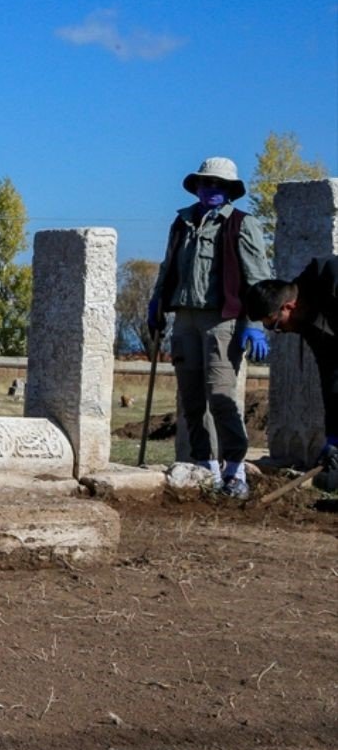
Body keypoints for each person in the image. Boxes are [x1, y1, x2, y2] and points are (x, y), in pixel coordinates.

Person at [149, 156, 271, 499]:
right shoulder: (182, 222)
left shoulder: (243, 225)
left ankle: (234, 469)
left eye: (219, 185)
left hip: (223, 320)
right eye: (206, 183)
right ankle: (205, 467)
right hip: (184, 318)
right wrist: (157, 302)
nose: (211, 189)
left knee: (220, 395)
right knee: (191, 398)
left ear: (230, 191)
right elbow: (167, 266)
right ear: (197, 186)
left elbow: (257, 279)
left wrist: (254, 323)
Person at [245, 255, 338, 489]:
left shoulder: (331, 276)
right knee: (328, 482)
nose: (280, 332)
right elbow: (332, 380)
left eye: (276, 325)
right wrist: (333, 438)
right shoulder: (311, 327)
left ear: (288, 307)